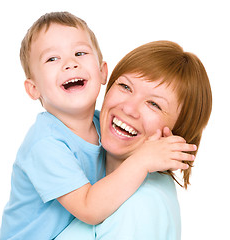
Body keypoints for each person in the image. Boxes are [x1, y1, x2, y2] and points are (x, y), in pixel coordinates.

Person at [0, 13, 196, 240]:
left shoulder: (103, 126)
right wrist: (142, 160)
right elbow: (88, 207)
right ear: (33, 89)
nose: (70, 63)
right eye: (52, 59)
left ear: (102, 72)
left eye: (80, 53)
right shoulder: (45, 144)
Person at [55, 40, 212, 239]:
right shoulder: (87, 170)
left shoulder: (139, 208)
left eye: (154, 104)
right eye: (125, 86)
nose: (128, 108)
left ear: (177, 134)